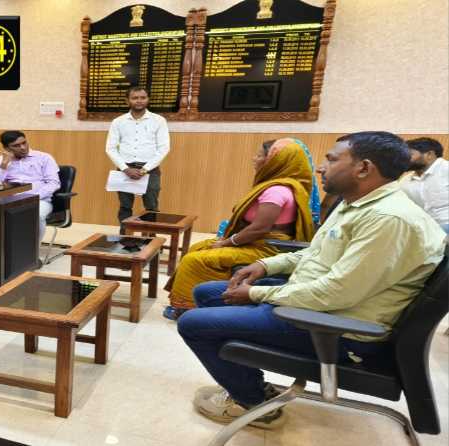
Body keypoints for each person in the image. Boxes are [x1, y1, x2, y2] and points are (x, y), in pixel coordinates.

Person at [177, 131, 446, 429]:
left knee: (193, 324)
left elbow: (337, 293)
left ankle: (253, 402)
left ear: (363, 168)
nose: (320, 167)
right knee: (207, 293)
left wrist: (255, 294)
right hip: (318, 304)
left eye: (332, 159)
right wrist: (265, 266)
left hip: (337, 329)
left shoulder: (389, 219)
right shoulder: (356, 204)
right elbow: (315, 254)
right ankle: (245, 381)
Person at [163, 139, 316, 320]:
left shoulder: (276, 190)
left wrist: (227, 242)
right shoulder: (279, 185)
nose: (254, 159)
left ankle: (187, 307)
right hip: (257, 242)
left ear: (274, 161)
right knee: (198, 247)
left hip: (267, 248)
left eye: (259, 155)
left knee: (194, 259)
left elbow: (259, 229)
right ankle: (191, 299)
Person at [105, 86, 170, 228]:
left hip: (150, 170)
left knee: (151, 207)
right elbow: (110, 148)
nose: (139, 101)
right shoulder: (118, 122)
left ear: (148, 99)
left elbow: (163, 148)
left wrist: (145, 169)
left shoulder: (159, 120)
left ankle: (150, 239)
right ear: (127, 101)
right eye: (135, 98)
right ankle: (125, 237)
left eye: (143, 97)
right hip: (125, 169)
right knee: (125, 207)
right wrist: (125, 169)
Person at [0, 130, 61, 241]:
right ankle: (1, 247)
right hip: (9, 200)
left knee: (36, 215)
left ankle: (33, 250)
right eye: (16, 146)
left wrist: (32, 197)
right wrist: (4, 166)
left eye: (24, 143)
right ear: (6, 148)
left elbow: (54, 183)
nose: (23, 147)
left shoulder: (44, 157)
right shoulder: (0, 161)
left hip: (39, 200)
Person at [401, 137, 448, 232]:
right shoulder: (405, 181)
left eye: (410, 155)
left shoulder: (446, 169)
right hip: (427, 229)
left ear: (429, 154)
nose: (404, 160)